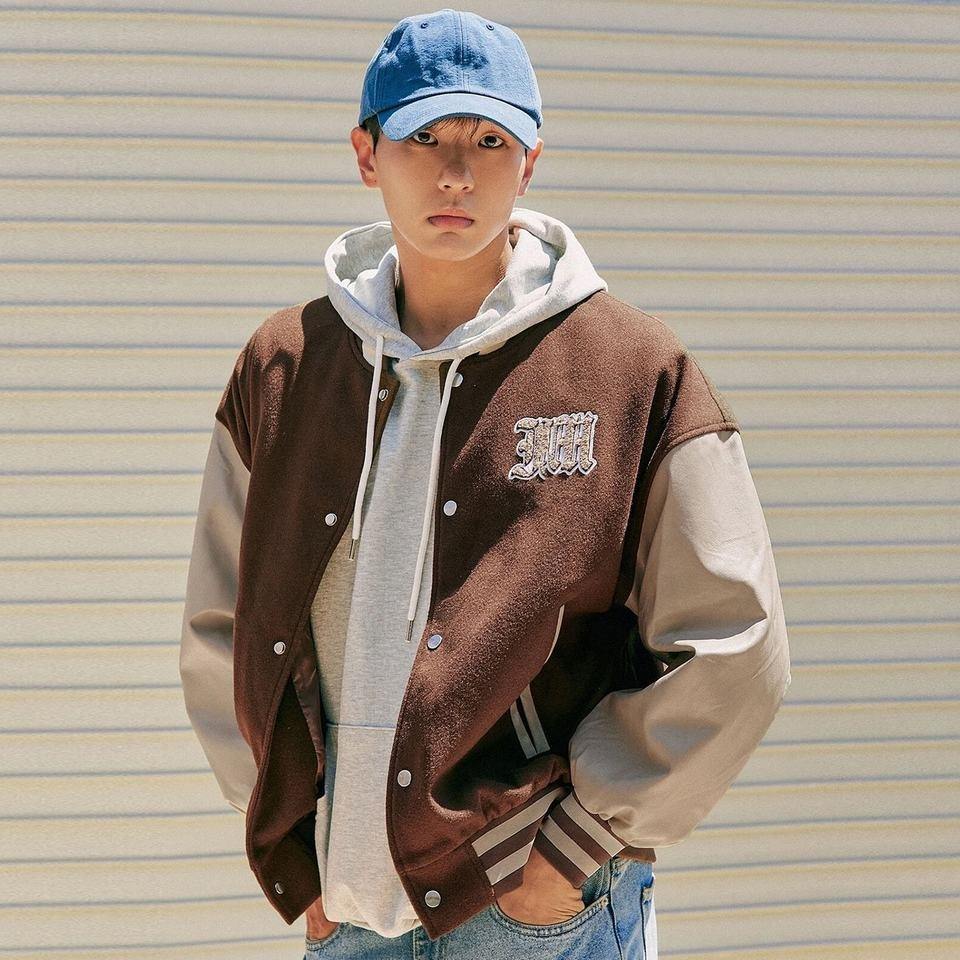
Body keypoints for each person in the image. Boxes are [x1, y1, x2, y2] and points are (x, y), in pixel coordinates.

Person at [179, 8, 792, 959]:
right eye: (423, 137)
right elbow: (220, 627)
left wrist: (574, 845)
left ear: (531, 162)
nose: (456, 172)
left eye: (489, 141)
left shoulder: (633, 369)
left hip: (536, 910)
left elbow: (735, 641)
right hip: (349, 910)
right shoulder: (285, 366)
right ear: (365, 154)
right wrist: (289, 838)